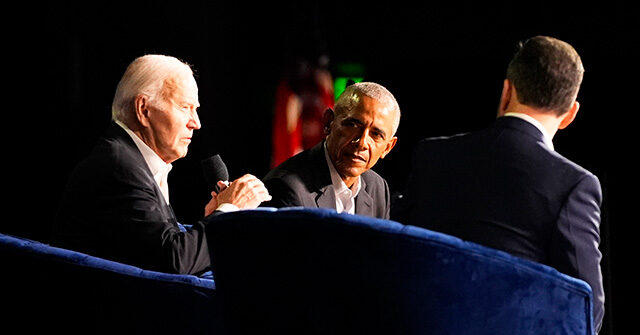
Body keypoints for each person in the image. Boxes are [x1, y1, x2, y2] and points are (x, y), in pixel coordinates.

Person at [394, 36, 604, 331]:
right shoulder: (574, 185)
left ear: (506, 91)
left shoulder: (432, 154)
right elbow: (586, 308)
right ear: (571, 114)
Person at [52, 55, 271, 275]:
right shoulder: (119, 167)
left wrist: (213, 219)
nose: (196, 123)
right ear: (144, 110)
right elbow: (173, 261)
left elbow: (161, 250)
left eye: (196, 109)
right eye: (185, 107)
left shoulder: (133, 161)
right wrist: (228, 211)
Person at [262, 82, 400, 219]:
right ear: (329, 122)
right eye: (352, 125)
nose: (362, 143)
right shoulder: (287, 187)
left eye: (376, 134)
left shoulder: (377, 187)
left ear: (387, 147)